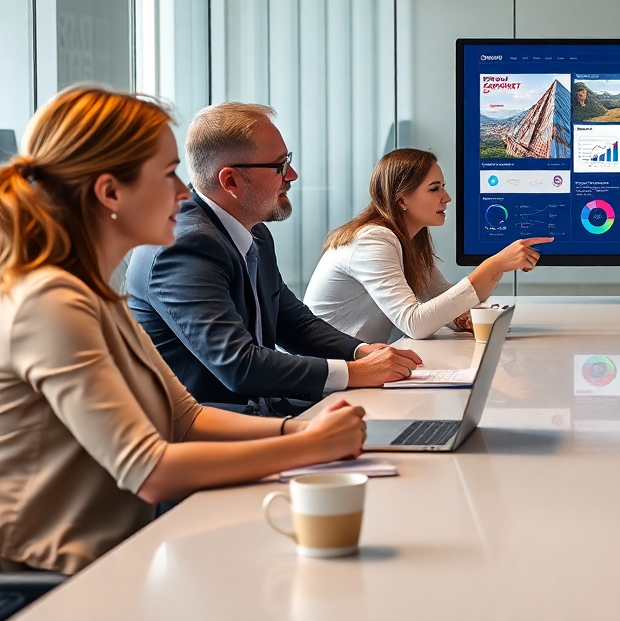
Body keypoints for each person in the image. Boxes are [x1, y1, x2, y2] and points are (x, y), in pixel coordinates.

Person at [0, 87, 367, 575]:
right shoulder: (51, 303)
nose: (183, 191)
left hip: (121, 559)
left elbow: (187, 418)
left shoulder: (95, 296)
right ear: (110, 193)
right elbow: (149, 470)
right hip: (57, 583)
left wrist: (299, 429)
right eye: (168, 173)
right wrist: (309, 447)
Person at [126, 103, 421, 416]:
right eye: (279, 166)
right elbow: (239, 365)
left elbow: (291, 321)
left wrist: (361, 352)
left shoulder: (254, 232)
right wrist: (355, 373)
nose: (291, 175)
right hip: (209, 433)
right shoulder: (182, 246)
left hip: (265, 413)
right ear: (231, 182)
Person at [304, 148, 552, 342]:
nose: (447, 197)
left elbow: (454, 305)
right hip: (329, 381)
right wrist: (493, 264)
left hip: (358, 369)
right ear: (402, 199)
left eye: (443, 187)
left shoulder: (408, 242)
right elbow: (415, 324)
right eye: (434, 189)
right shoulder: (372, 241)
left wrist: (499, 268)